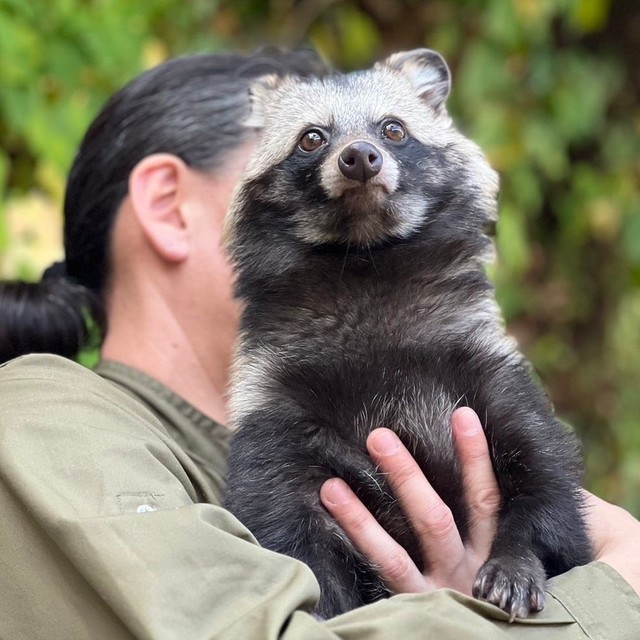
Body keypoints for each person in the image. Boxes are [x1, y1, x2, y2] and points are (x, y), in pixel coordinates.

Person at [0, 49, 639, 639]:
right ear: (168, 205)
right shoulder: (44, 418)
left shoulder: (217, 447)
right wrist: (607, 596)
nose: (356, 153)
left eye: (389, 131)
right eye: (311, 139)